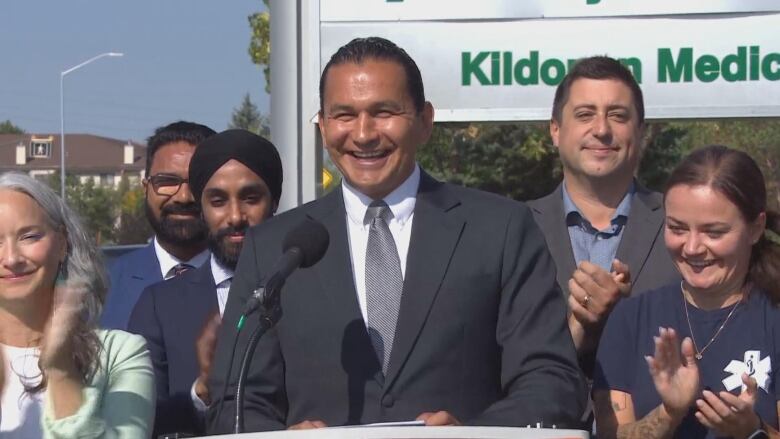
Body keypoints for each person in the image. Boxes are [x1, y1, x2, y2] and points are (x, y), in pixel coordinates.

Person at [206, 36, 585, 433]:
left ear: (424, 121)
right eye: (344, 115)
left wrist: (473, 432)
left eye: (384, 111)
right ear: (322, 125)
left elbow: (551, 382)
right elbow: (237, 401)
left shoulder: (501, 229)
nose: (364, 133)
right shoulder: (274, 248)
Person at [594, 145, 780, 439]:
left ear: (756, 229)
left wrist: (753, 431)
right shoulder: (631, 318)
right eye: (677, 228)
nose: (692, 248)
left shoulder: (772, 317)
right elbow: (611, 434)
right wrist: (669, 412)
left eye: (714, 232)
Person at [127, 129, 283, 436]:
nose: (235, 216)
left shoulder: (307, 289)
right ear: (202, 208)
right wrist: (200, 395)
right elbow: (140, 419)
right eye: (218, 200)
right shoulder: (159, 305)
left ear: (274, 201)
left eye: (250, 198)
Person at [529, 56, 679, 365]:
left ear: (640, 132)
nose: (601, 129)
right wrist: (583, 322)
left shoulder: (681, 225)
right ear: (555, 131)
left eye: (618, 116)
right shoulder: (516, 230)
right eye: (585, 114)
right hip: (550, 413)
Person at [0, 172, 155, 438]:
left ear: (62, 243)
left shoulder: (121, 354)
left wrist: (61, 372)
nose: (12, 258)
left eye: (30, 237)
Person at [101, 121, 216, 330]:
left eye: (198, 181)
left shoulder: (254, 282)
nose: (183, 197)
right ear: (146, 188)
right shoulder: (103, 287)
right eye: (167, 181)